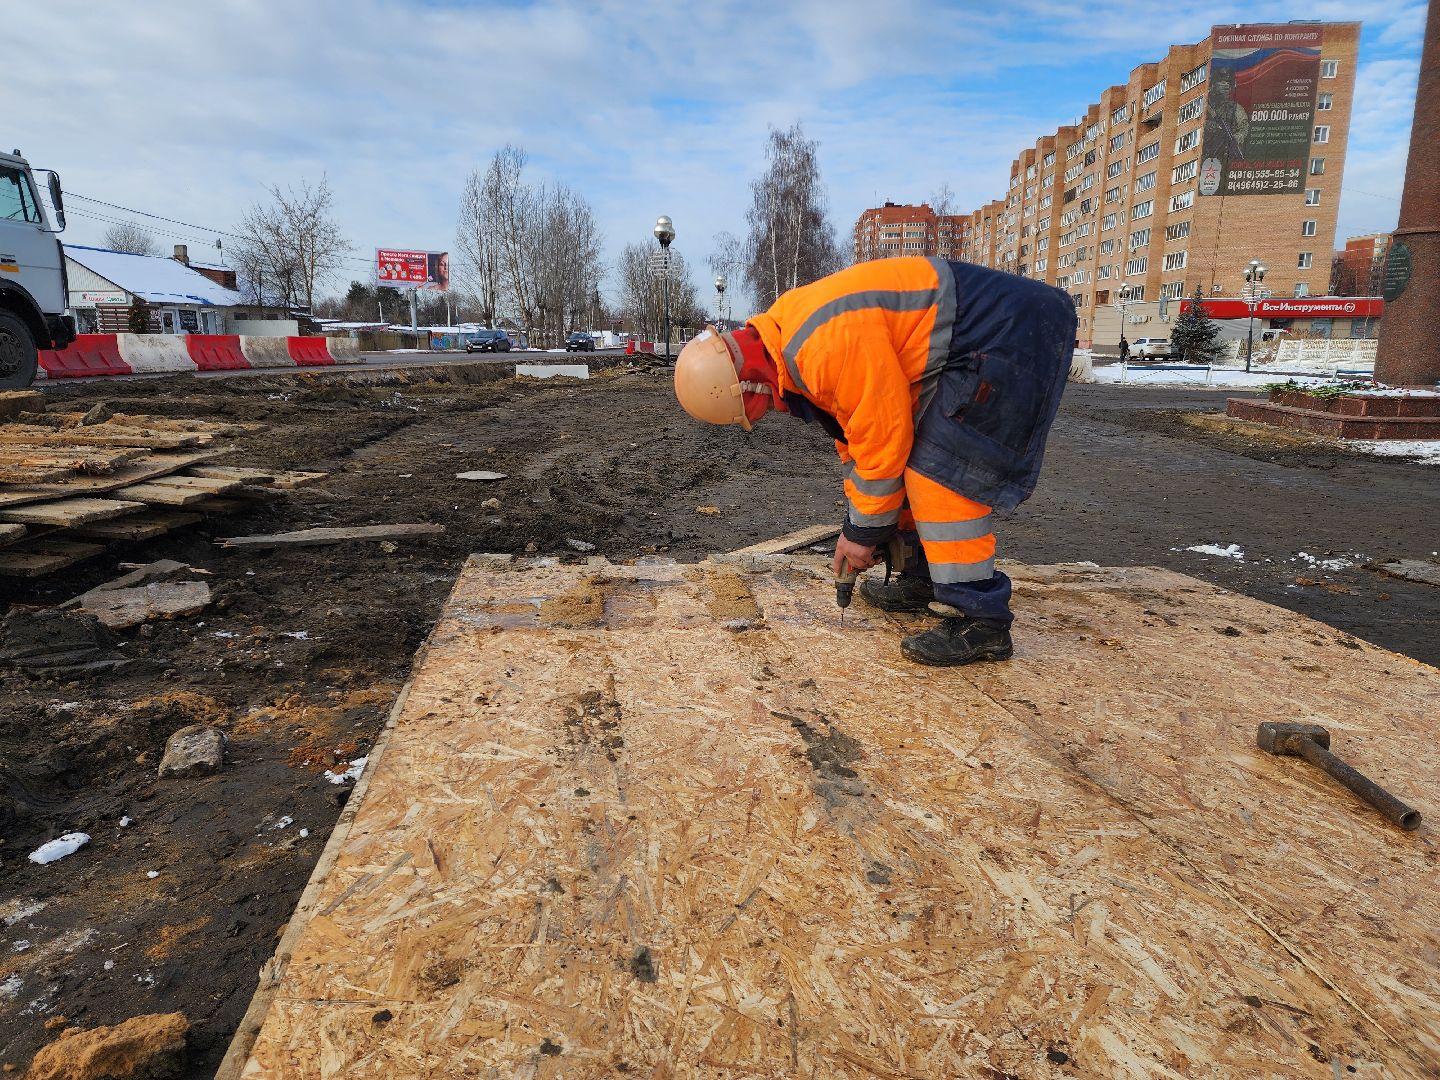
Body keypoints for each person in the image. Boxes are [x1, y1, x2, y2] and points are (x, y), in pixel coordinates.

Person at [673, 256, 1076, 666]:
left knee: (939, 472)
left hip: (1010, 332)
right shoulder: (786, 339)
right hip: (978, 334)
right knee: (914, 458)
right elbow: (856, 438)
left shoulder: (822, 348)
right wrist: (864, 523)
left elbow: (883, 438)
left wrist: (861, 535)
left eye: (752, 410)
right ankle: (923, 577)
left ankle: (981, 621)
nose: (762, 416)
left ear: (749, 384)